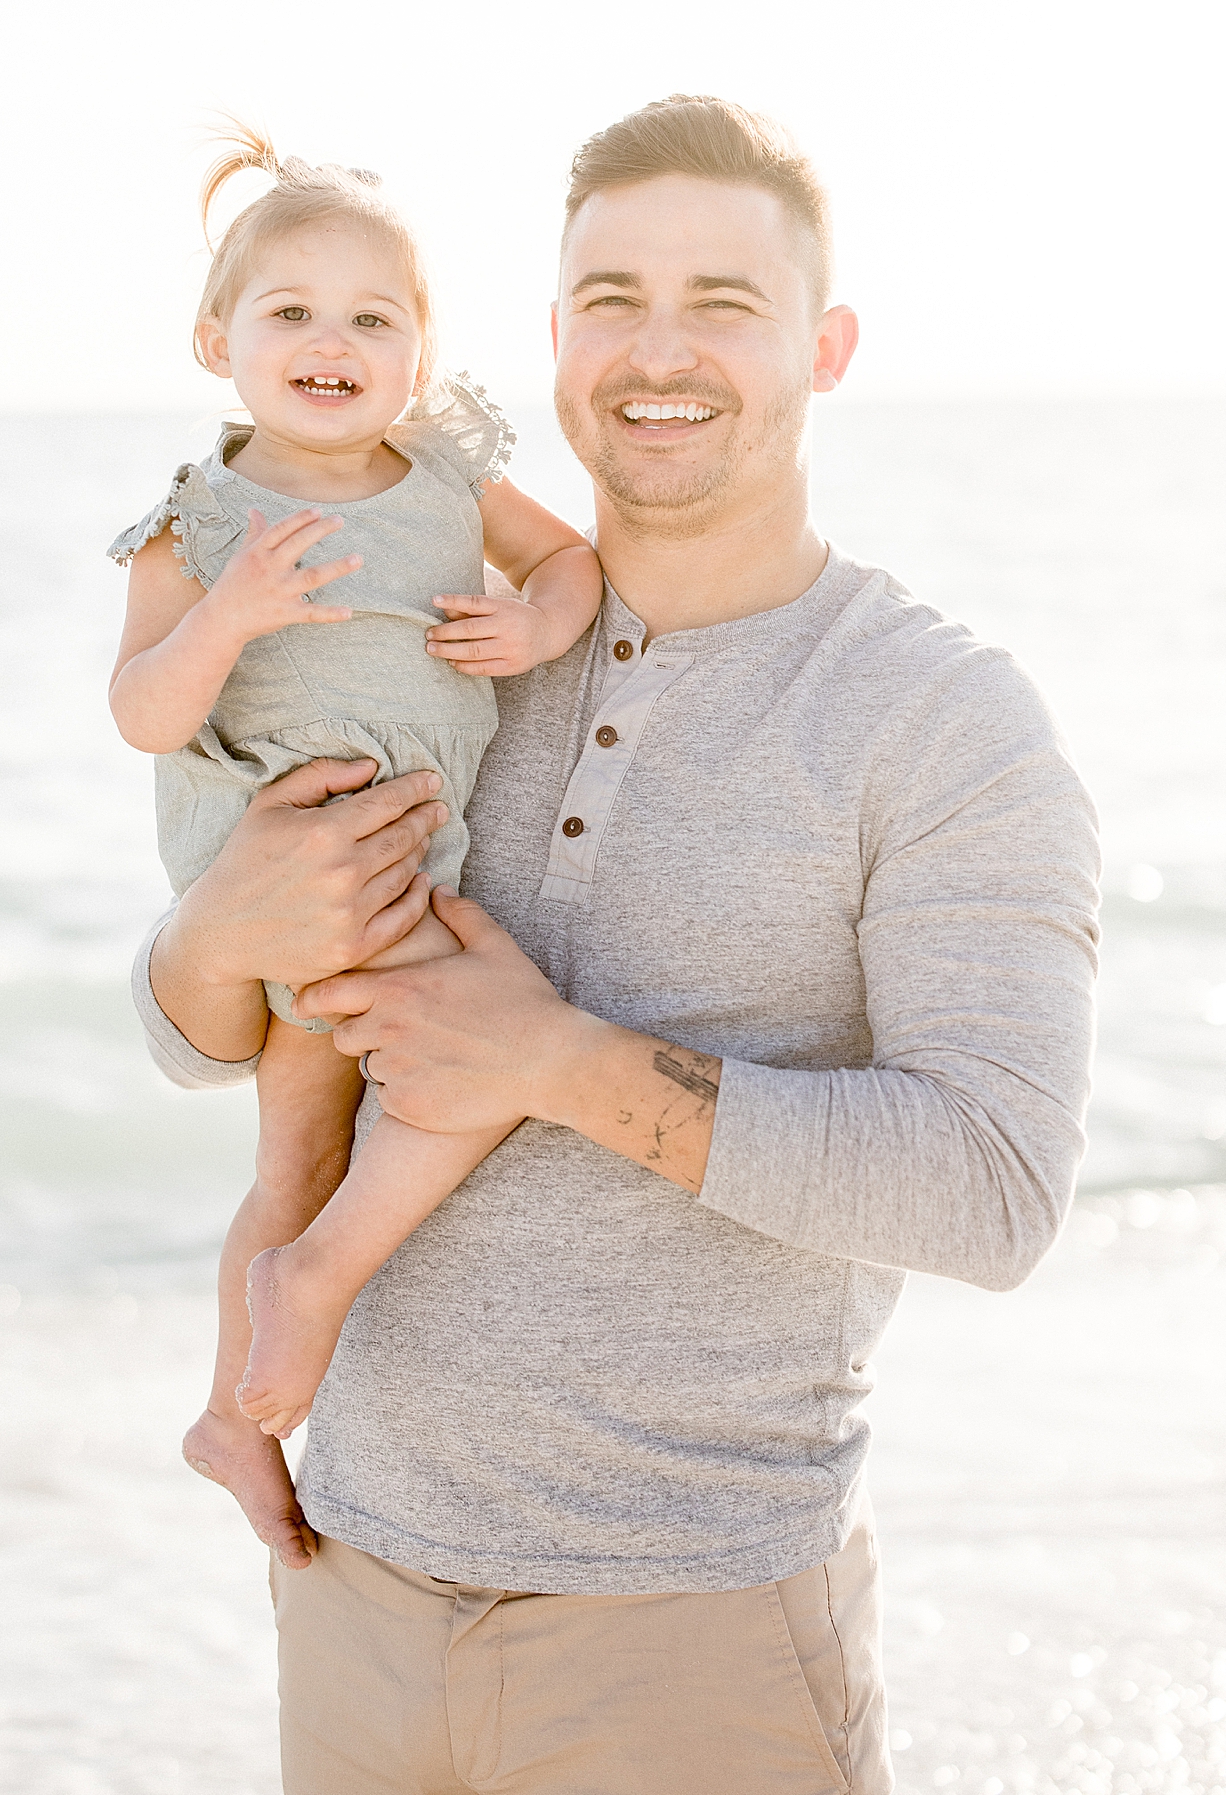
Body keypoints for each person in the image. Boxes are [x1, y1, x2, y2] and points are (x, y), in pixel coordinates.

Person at [133, 96, 1100, 1794]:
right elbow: (209, 1027)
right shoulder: (439, 640)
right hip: (350, 1585)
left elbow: (995, 1190)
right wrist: (209, 933)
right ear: (554, 339)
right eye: (611, 298)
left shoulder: (944, 717)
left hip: (693, 1630)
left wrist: (565, 1068)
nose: (661, 350)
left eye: (724, 300)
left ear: (829, 345)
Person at [107, 126, 602, 1561]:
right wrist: (230, 617)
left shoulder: (444, 475)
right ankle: (309, 1292)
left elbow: (567, 559)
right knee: (481, 1062)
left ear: (422, 350)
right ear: (219, 341)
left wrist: (535, 623)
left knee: (301, 1145)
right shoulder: (200, 523)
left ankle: (233, 1419)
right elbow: (143, 710)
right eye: (292, 313)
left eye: (372, 319)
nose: (334, 343)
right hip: (296, 861)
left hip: (400, 865)